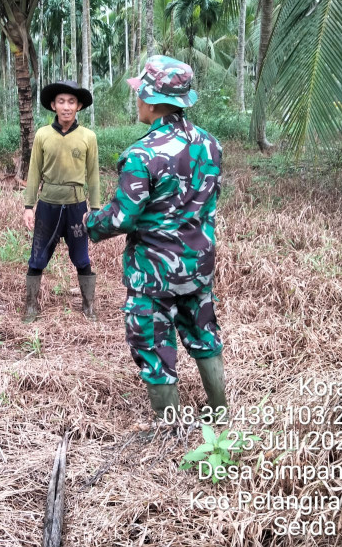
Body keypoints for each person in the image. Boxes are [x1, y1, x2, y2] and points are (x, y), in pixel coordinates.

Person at [84, 56, 227, 420]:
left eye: (139, 95)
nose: (137, 102)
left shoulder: (141, 154)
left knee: (153, 347)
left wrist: (90, 223)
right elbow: (207, 201)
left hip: (154, 273)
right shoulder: (211, 145)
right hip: (198, 266)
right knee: (204, 334)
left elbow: (122, 216)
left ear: (149, 99)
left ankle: (170, 431)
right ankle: (220, 414)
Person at [22, 80, 100, 322]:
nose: (66, 107)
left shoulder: (88, 136)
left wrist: (95, 208)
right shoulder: (42, 135)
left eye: (72, 102)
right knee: (37, 256)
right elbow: (34, 172)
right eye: (61, 102)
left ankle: (88, 306)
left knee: (82, 256)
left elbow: (94, 174)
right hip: (47, 206)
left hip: (77, 207)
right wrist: (28, 206)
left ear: (78, 107)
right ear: (53, 106)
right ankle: (31, 306)